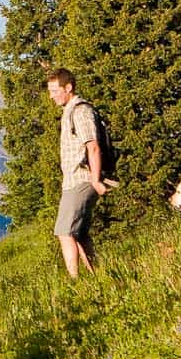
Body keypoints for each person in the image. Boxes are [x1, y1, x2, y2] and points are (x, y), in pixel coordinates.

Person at [47, 68, 108, 278]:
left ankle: (74, 280)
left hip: (80, 179)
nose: (52, 95)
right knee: (79, 234)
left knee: (64, 232)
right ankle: (96, 277)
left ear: (68, 88)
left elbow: (93, 147)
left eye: (55, 90)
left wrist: (96, 179)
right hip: (75, 180)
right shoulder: (69, 112)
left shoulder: (81, 111)